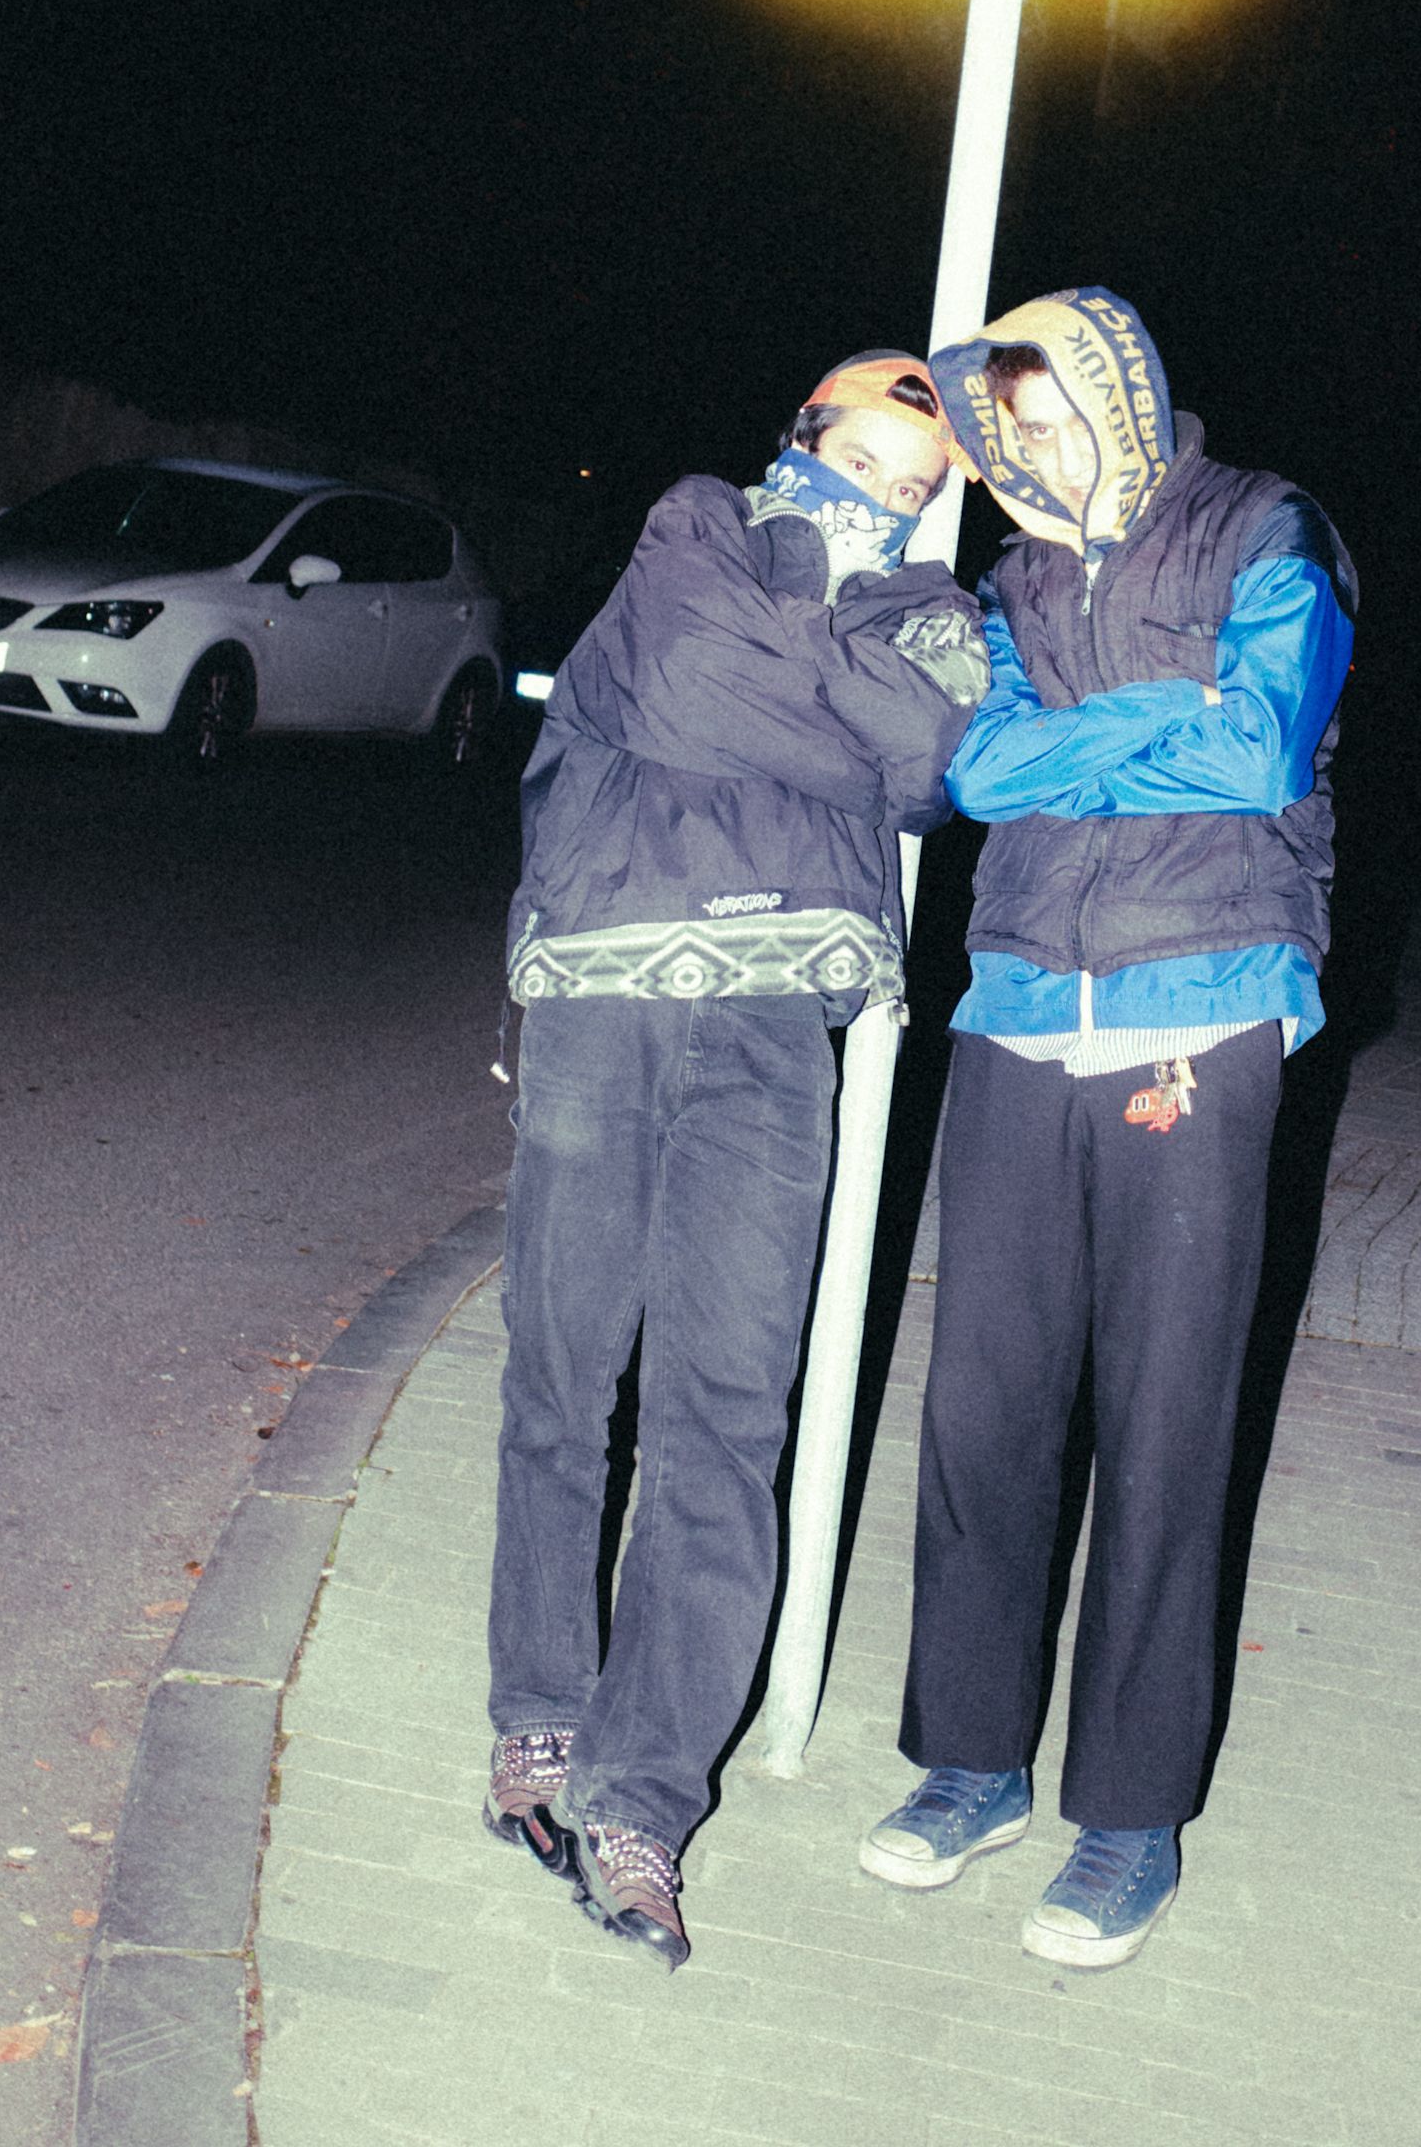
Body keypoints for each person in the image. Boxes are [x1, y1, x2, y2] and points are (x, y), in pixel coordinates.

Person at [865, 287, 1354, 1969]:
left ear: (1127, 396)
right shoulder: (1011, 578)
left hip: (1200, 1005)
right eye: (1018, 426)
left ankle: (1130, 1818)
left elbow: (1261, 744)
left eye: (1068, 413)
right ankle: (970, 1763)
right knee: (981, 1413)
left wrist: (1084, 744)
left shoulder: (1264, 529)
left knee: (1166, 1423)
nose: (1045, 448)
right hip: (1017, 1008)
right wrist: (1151, 725)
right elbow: (982, 772)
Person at [484, 355, 987, 1972]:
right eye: (868, 459)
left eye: (918, 485)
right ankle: (536, 1714)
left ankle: (641, 1799)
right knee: (564, 1376)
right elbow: (689, 682)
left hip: (777, 1039)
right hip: (604, 994)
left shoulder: (936, 613)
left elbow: (929, 768)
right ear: (802, 438)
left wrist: (823, 671)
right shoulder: (697, 523)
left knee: (725, 1416)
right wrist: (841, 689)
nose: (888, 500)